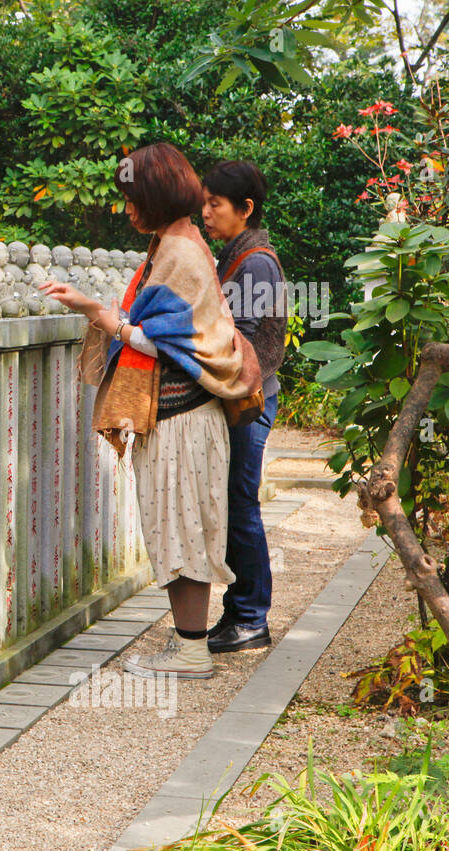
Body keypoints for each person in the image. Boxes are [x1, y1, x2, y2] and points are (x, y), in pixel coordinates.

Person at [40, 143, 261, 679]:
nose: (129, 209)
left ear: (156, 196)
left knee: (182, 530)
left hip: (183, 417)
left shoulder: (180, 253)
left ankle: (190, 651)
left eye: (134, 199)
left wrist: (96, 311)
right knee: (179, 527)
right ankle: (188, 643)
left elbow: (164, 340)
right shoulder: (176, 243)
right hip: (182, 417)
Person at [201, 161, 287, 653]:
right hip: (241, 399)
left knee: (241, 504)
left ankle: (252, 616)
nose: (206, 212)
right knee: (234, 504)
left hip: (249, 403)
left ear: (245, 208)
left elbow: (246, 343)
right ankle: (240, 611)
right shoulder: (236, 255)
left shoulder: (253, 261)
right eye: (206, 202)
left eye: (216, 204)